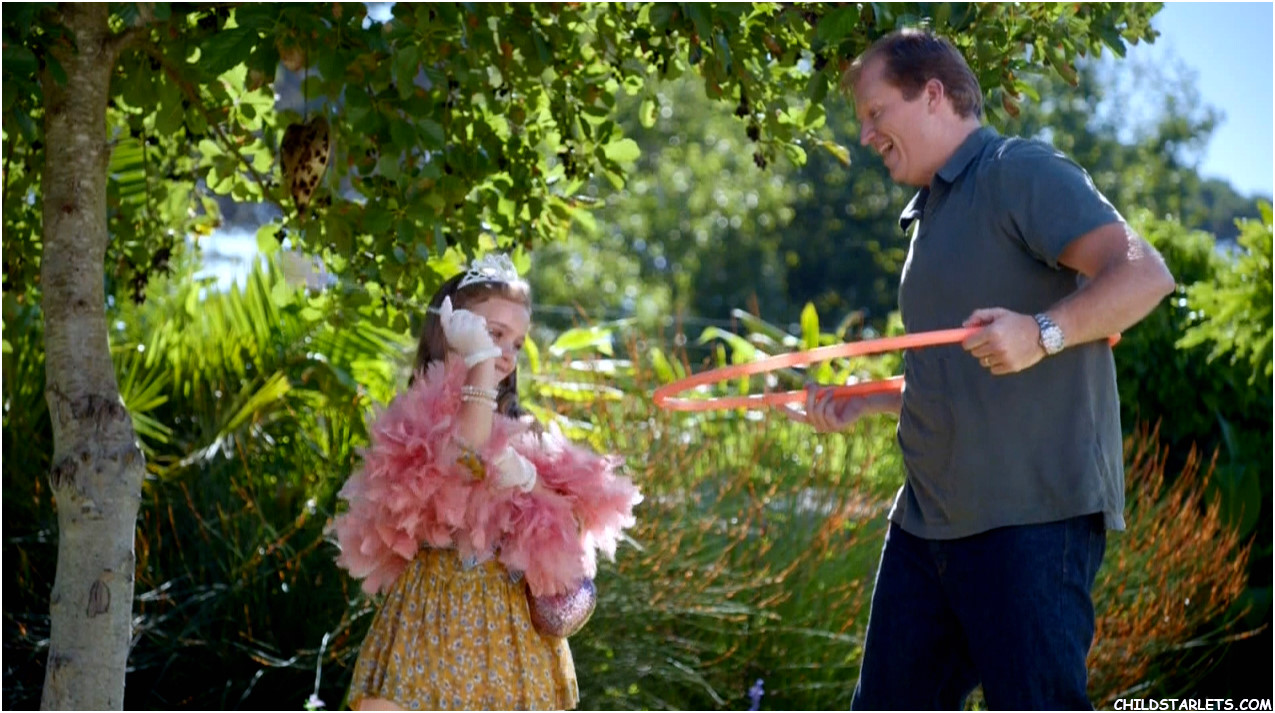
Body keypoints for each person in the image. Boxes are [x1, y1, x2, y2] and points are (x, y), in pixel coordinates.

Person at [788, 29, 1176, 710]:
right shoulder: (930, 214)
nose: (864, 135)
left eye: (875, 112)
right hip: (925, 528)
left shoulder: (1015, 170)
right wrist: (866, 400)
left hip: (1030, 524)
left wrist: (1042, 332)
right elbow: (961, 374)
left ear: (932, 94)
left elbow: (1146, 274)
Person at [329, 253, 642, 711]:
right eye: (494, 334)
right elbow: (466, 449)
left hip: (506, 627)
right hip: (431, 617)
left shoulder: (525, 430)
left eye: (516, 343)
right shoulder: (415, 418)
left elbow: (573, 529)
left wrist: (531, 480)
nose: (507, 354)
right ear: (450, 328)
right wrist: (478, 359)